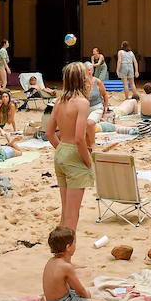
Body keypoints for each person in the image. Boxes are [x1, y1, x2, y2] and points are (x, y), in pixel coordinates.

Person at [49, 61, 93, 230]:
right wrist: (88, 161)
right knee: (73, 215)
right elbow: (80, 138)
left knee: (65, 210)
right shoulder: (82, 103)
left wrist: (61, 149)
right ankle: (65, 252)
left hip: (61, 152)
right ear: (82, 79)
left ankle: (59, 248)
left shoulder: (59, 101)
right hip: (74, 155)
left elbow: (49, 133)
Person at [43, 227, 108, 301]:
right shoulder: (66, 267)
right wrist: (87, 300)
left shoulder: (51, 261)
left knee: (86, 293)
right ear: (68, 247)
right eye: (74, 243)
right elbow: (81, 291)